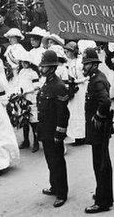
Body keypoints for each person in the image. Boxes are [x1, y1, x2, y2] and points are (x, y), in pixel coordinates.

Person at [82, 47, 114, 214]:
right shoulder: (95, 77)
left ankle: (102, 202)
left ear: (94, 64)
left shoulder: (97, 80)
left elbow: (106, 102)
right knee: (102, 162)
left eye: (86, 64)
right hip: (99, 127)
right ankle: (105, 195)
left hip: (99, 128)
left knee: (100, 164)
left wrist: (98, 117)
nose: (84, 67)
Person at [37, 50, 70, 208]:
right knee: (50, 160)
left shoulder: (58, 86)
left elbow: (63, 113)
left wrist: (59, 132)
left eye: (44, 66)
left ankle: (62, 193)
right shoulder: (47, 83)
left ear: (51, 68)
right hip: (45, 129)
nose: (41, 69)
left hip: (54, 131)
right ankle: (55, 186)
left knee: (58, 161)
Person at [16, 51, 41, 152]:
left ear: (29, 62)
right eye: (22, 62)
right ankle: (26, 141)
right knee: (24, 121)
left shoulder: (33, 73)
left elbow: (36, 86)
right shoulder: (21, 72)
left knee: (33, 122)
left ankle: (36, 142)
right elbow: (19, 84)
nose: (23, 64)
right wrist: (18, 92)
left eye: (26, 62)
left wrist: (26, 92)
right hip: (23, 100)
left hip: (31, 99)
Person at [64, 42, 87, 146]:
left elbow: (86, 76)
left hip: (81, 89)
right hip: (73, 89)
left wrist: (76, 81)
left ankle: (82, 136)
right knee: (73, 112)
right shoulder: (68, 62)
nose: (66, 53)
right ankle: (76, 136)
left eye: (68, 51)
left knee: (80, 111)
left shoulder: (80, 62)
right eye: (66, 51)